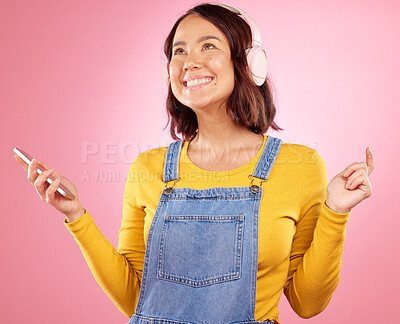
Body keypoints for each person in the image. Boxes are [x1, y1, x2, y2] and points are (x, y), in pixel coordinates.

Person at [14, 3, 374, 324]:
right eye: (179, 51)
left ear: (249, 62)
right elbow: (137, 301)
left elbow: (307, 304)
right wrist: (76, 215)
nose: (190, 62)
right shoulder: (147, 169)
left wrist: (335, 212)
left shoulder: (301, 165)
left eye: (208, 46)